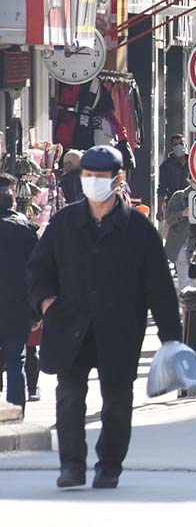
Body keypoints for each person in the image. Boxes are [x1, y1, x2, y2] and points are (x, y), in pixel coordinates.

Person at [26, 145, 183, 489]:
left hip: (119, 330)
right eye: (88, 175)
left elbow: (159, 285)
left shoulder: (139, 229)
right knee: (68, 398)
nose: (93, 182)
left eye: (100, 176)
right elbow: (38, 268)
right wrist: (46, 303)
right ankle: (71, 465)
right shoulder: (64, 223)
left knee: (116, 401)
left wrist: (172, 338)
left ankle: (109, 465)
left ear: (117, 180)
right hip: (70, 326)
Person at [0, 173, 38, 414]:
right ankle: (15, 412)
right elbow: (37, 273)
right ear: (14, 203)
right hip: (17, 307)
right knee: (16, 361)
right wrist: (36, 312)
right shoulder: (27, 230)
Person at [162, 182, 195, 293]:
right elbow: (169, 218)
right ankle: (188, 309)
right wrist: (182, 214)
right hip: (182, 245)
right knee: (185, 284)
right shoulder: (178, 197)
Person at [156, 134, 189, 220]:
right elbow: (161, 188)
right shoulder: (166, 166)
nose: (179, 146)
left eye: (181, 144)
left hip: (190, 204)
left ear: (186, 145)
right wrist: (159, 209)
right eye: (176, 144)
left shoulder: (192, 163)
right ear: (172, 147)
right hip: (173, 206)